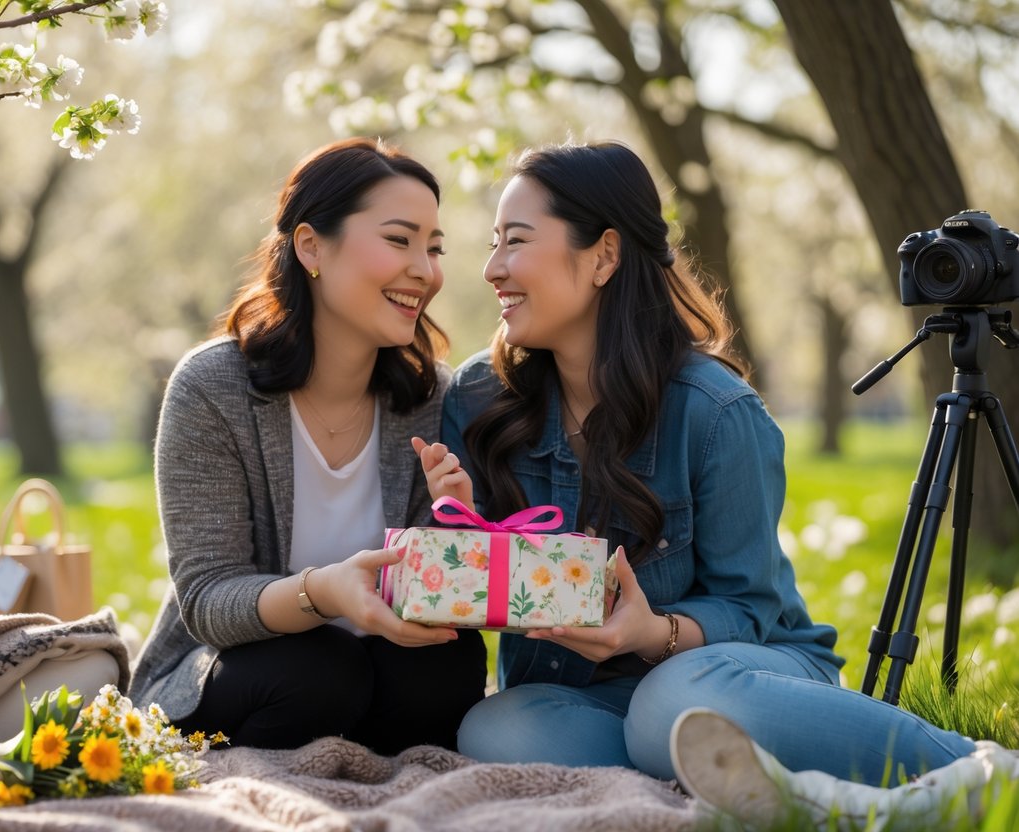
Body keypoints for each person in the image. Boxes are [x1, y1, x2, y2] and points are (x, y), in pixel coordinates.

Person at [413, 141, 984, 790]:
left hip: (735, 669)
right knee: (495, 729)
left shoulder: (715, 414)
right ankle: (744, 778)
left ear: (603, 255)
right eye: (493, 243)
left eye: (514, 241)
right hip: (593, 696)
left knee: (670, 702)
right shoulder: (482, 398)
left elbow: (749, 605)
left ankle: (971, 767)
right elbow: (478, 586)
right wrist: (457, 527)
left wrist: (650, 634)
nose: (491, 268)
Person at [130, 137, 487, 756]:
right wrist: (322, 592)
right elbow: (209, 601)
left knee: (444, 666)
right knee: (318, 668)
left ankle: (367, 784)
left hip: (378, 672)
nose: (425, 272)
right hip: (241, 668)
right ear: (311, 246)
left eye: (434, 249)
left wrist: (459, 524)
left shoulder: (436, 398)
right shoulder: (212, 389)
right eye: (400, 240)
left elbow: (438, 596)